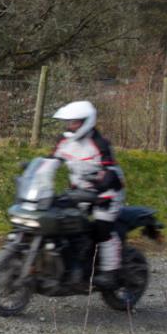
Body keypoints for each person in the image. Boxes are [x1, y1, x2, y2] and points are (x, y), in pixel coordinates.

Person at [51, 99, 125, 290]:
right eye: (69, 122)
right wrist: (33, 169)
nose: (70, 125)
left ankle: (110, 272)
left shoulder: (99, 143)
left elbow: (110, 172)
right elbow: (51, 161)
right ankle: (71, 268)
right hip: (79, 192)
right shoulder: (65, 140)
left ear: (87, 122)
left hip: (107, 192)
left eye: (75, 122)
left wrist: (99, 191)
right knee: (64, 223)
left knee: (102, 229)